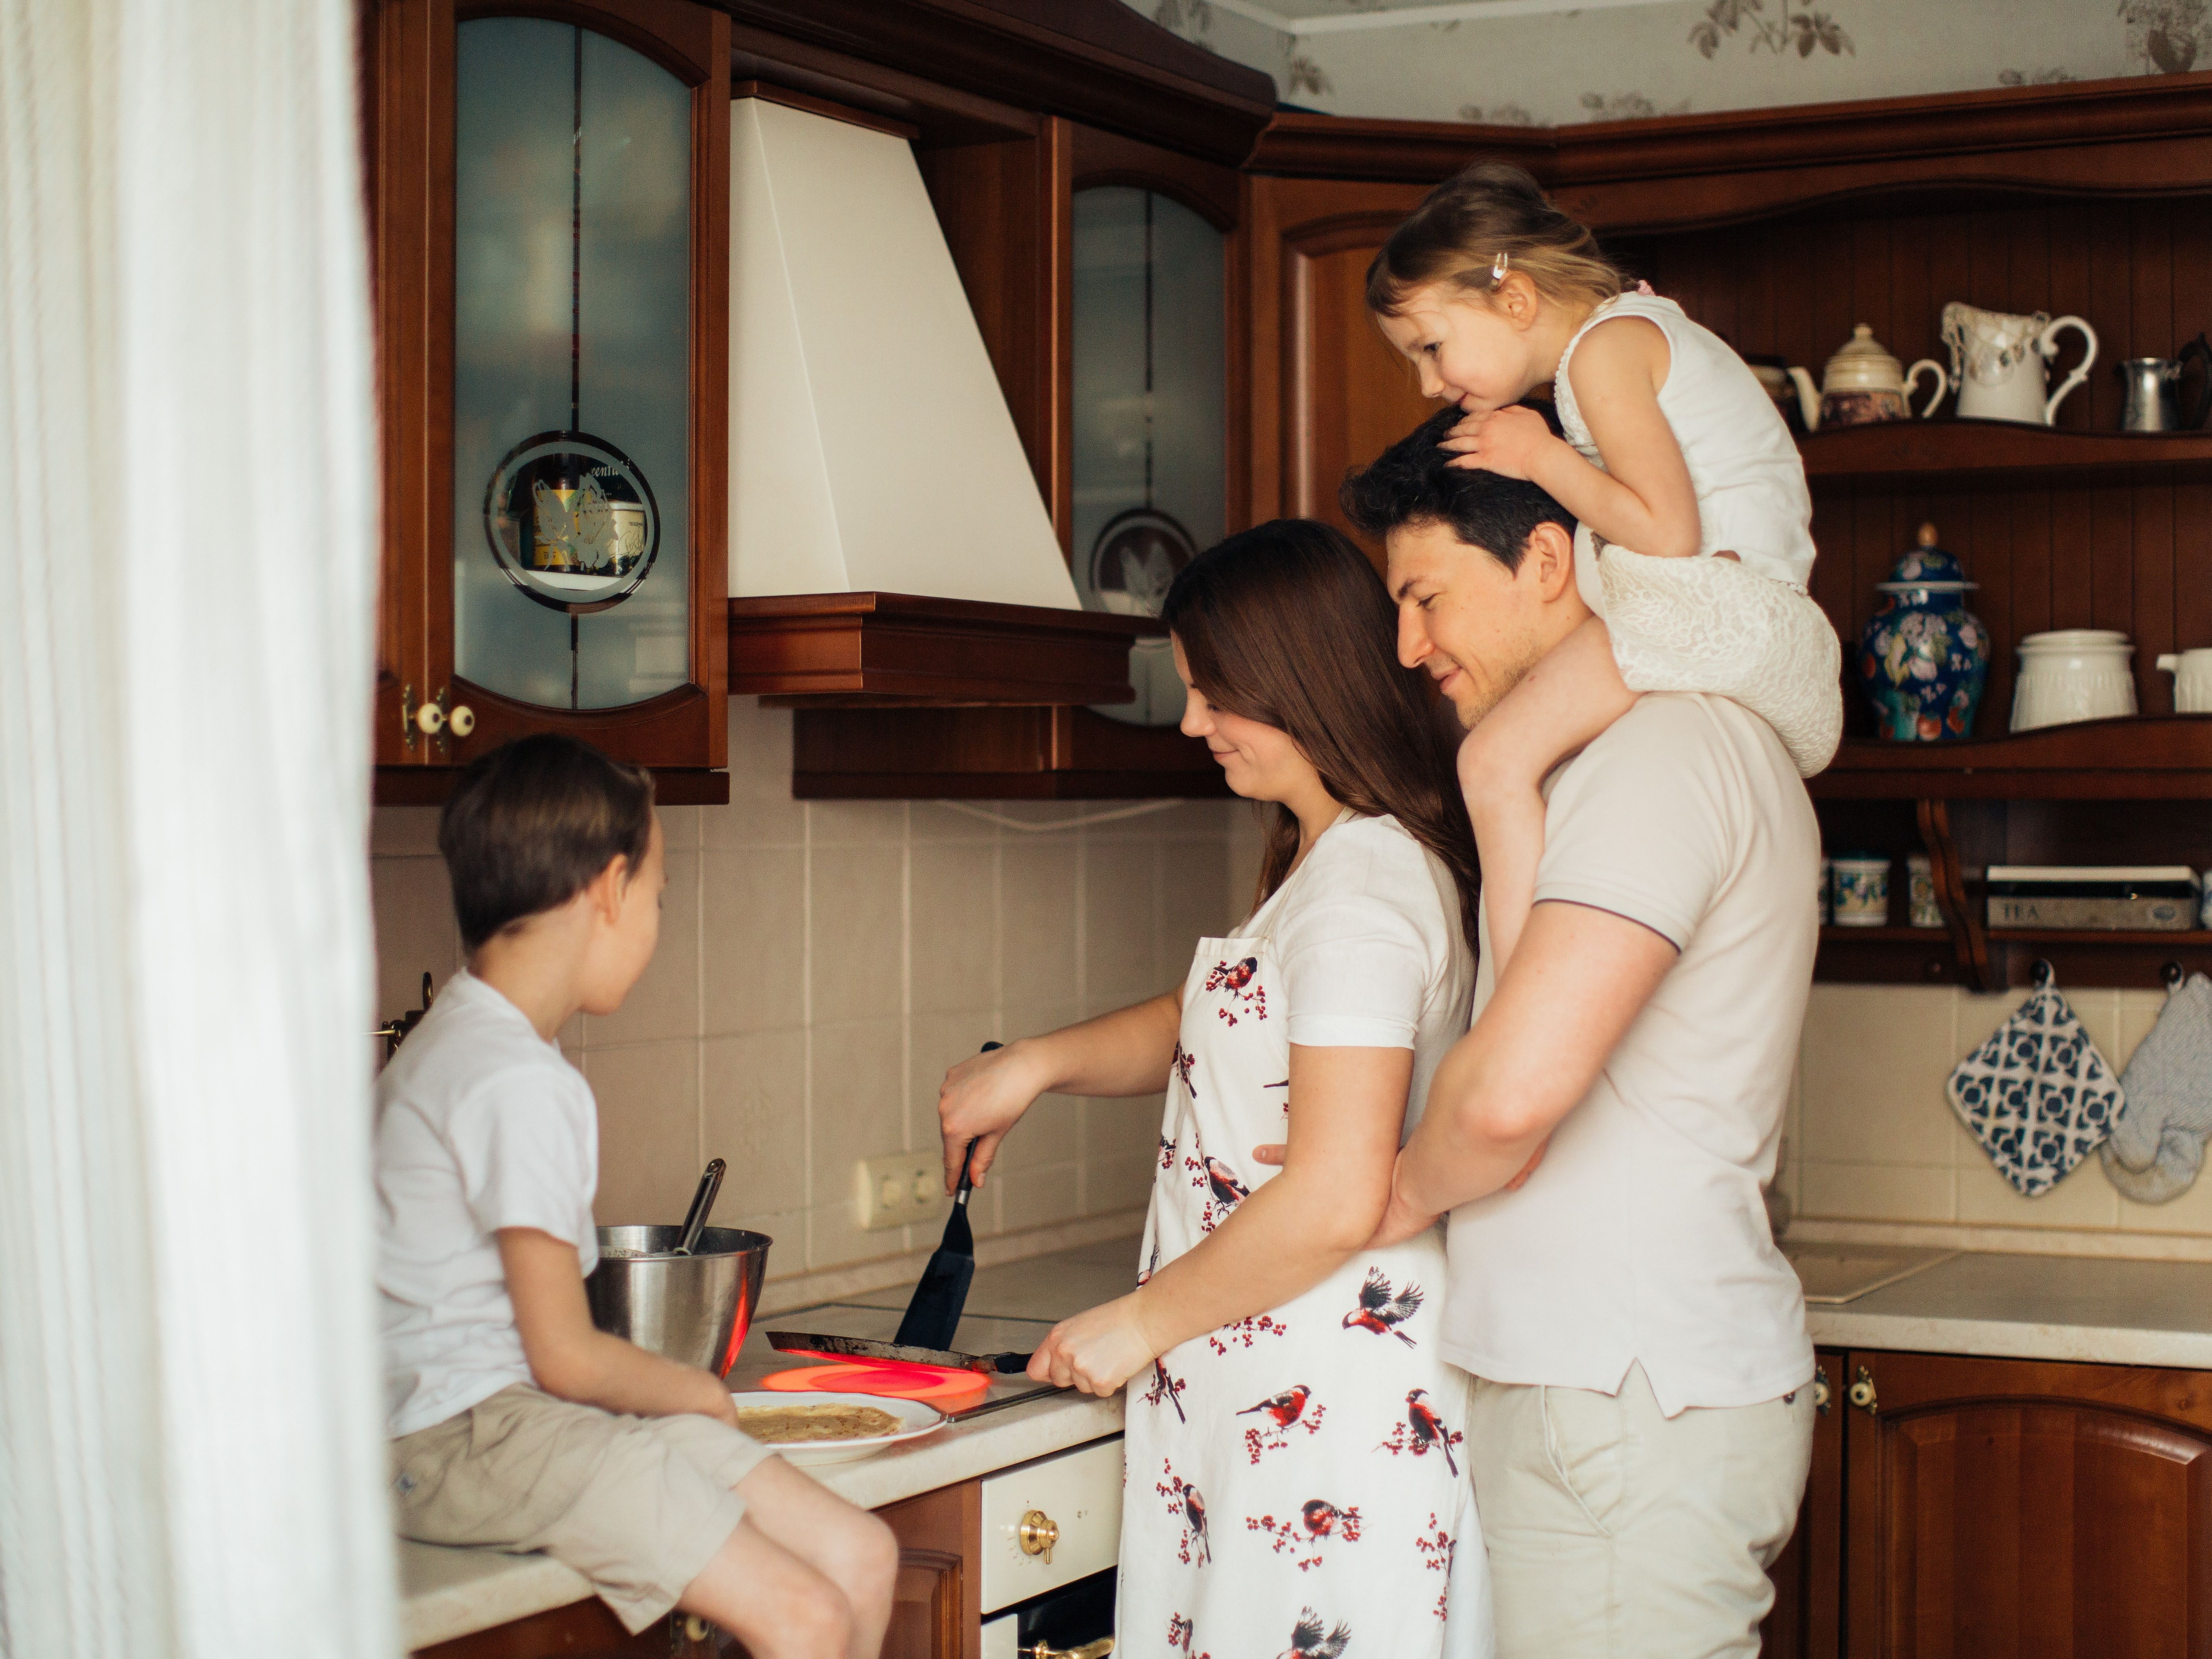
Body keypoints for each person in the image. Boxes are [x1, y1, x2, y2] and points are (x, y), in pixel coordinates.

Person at [936, 521, 1493, 1659]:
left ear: (1299, 681)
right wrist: (1035, 1062)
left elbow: (1338, 1191)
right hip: (1277, 1381)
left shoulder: (1359, 893)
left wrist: (1138, 1320)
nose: (1192, 722)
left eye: (1211, 692)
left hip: (1326, 1406)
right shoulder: (1330, 863)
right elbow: (1226, 1017)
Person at [1338, 419, 1818, 1658]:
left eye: (1426, 595)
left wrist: (1388, 1191)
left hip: (1622, 1393)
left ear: (1547, 558)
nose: (1409, 645)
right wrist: (1499, 776)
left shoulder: (1663, 749)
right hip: (1613, 1386)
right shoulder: (1589, 759)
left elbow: (1512, 1096)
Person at [376, 735, 897, 1659]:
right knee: (809, 1613)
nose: (655, 921)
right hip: (460, 1437)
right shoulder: (515, 1080)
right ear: (609, 889)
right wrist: (696, 1389)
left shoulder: (462, 1039)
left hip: (515, 1424)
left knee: (861, 1555)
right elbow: (567, 1357)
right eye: (657, 897)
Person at [1367, 160, 1841, 974]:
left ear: (1514, 300)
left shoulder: (1604, 354)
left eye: (1433, 347)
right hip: (1748, 609)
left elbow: (1664, 530)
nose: (1426, 383)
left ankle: (1508, 1002)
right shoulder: (1631, 331)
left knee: (1492, 760)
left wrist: (1540, 456)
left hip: (1712, 605)